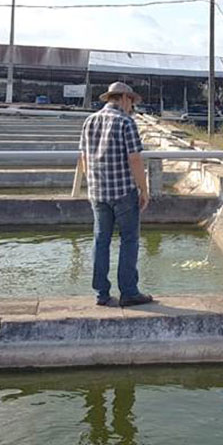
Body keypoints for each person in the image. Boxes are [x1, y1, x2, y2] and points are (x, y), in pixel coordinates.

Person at [78, 81, 154, 307]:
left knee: (101, 241)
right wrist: (144, 188)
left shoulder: (89, 121)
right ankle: (129, 291)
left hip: (98, 192)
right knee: (129, 240)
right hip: (123, 191)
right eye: (131, 101)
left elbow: (83, 158)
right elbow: (135, 159)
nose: (131, 106)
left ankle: (101, 293)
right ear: (123, 98)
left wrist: (92, 183)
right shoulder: (125, 122)